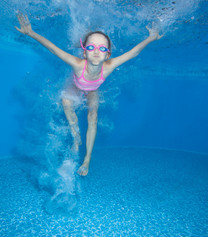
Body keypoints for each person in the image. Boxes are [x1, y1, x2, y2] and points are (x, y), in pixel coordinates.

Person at [15, 14, 163, 176]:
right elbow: (53, 49)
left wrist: (151, 38)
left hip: (93, 88)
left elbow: (133, 53)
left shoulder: (109, 66)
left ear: (108, 54)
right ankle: (76, 139)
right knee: (66, 101)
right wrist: (31, 33)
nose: (96, 51)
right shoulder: (78, 65)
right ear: (84, 52)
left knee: (93, 116)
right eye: (91, 47)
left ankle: (87, 159)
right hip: (75, 84)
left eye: (102, 48)